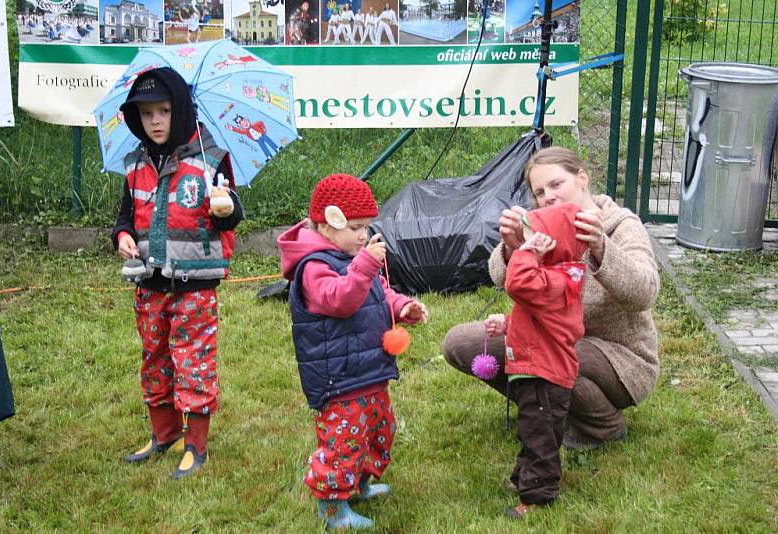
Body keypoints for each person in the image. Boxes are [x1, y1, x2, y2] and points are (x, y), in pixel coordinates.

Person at [443, 146, 660, 451]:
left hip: (619, 357)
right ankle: (542, 408)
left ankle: (601, 424)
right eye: (540, 192)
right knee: (460, 344)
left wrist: (600, 247)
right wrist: (514, 248)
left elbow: (646, 292)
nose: (549, 197)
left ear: (582, 178)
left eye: (557, 184)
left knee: (549, 354)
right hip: (555, 337)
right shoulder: (542, 225)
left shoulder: (620, 224)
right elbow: (502, 278)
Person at [111, 67, 244, 479]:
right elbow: (125, 216)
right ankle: (163, 432)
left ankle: (195, 444)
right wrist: (122, 236)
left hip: (195, 285)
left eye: (164, 111)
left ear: (180, 110)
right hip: (149, 283)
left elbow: (231, 216)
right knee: (155, 358)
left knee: (193, 361)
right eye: (147, 113)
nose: (155, 122)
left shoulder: (211, 159)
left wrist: (226, 208)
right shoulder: (135, 165)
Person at [277, 174, 428, 529]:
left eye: (366, 227)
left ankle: (358, 484)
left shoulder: (354, 256)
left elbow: (378, 293)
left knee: (379, 431)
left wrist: (402, 306)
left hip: (369, 370)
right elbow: (341, 300)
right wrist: (365, 264)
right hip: (338, 378)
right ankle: (332, 507)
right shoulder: (314, 267)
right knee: (343, 440)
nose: (364, 236)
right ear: (327, 225)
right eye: (356, 228)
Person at [484, 203, 587, 519]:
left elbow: (517, 284)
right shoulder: (552, 279)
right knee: (532, 430)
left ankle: (539, 497)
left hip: (546, 376)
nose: (527, 243)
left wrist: (525, 253)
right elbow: (536, 318)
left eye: (534, 238)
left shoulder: (559, 280)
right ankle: (523, 479)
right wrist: (506, 323)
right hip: (537, 370)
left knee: (540, 436)